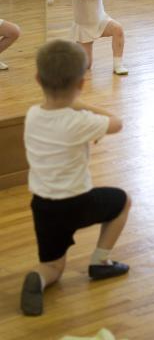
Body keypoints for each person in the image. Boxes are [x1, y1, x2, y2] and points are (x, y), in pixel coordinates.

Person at [20, 39, 131, 316]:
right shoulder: (80, 120)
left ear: (37, 79)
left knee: (54, 266)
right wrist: (84, 105)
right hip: (77, 203)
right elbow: (117, 123)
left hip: (43, 206)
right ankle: (100, 262)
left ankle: (39, 277)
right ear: (81, 84)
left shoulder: (33, 115)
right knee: (122, 201)